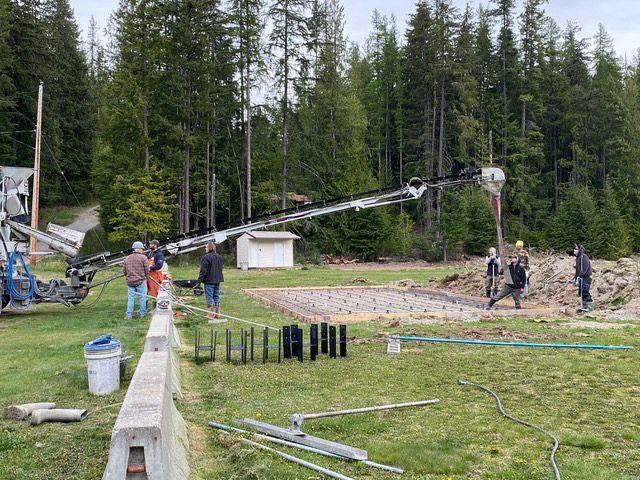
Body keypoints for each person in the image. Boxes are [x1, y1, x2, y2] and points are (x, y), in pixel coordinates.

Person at [123, 241, 150, 320]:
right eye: (142, 249)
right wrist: (146, 277)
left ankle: (128, 315)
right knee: (142, 298)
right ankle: (142, 315)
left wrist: (128, 277)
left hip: (130, 282)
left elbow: (124, 271)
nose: (143, 251)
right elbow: (147, 270)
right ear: (139, 249)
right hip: (141, 281)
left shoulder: (127, 258)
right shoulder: (143, 258)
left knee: (130, 299)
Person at [198, 241, 224, 319]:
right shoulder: (219, 256)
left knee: (209, 297)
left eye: (206, 247)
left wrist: (199, 280)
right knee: (216, 296)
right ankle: (217, 314)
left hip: (209, 280)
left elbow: (203, 270)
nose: (205, 249)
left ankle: (210, 314)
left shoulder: (206, 257)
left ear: (209, 248)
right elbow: (221, 268)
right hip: (217, 280)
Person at [573, 244, 593, 312]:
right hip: (581, 277)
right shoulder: (578, 258)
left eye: (575, 249)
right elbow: (577, 270)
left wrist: (580, 275)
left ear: (579, 250)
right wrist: (575, 278)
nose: (574, 250)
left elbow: (584, 268)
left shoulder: (583, 257)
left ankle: (589, 306)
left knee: (585, 291)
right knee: (581, 291)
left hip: (586, 276)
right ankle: (584, 306)